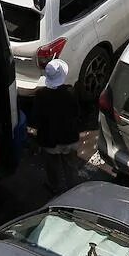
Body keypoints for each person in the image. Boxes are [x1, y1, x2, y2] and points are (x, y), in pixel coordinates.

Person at [30, 59, 81, 194]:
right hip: (69, 138)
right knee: (70, 166)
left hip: (49, 140)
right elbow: (77, 113)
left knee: (52, 167)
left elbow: (36, 118)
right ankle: (73, 190)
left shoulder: (40, 95)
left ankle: (55, 187)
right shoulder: (70, 92)